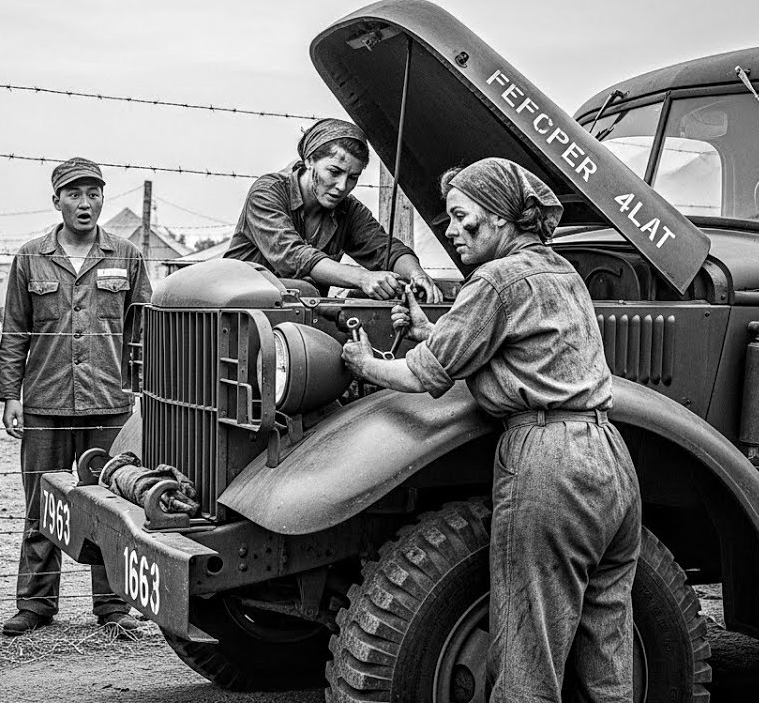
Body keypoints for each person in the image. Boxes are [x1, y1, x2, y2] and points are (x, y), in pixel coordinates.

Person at [340, 158, 640, 702]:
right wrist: (433, 330)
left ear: (500, 219)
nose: (451, 231)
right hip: (610, 459)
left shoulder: (497, 280)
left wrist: (362, 364)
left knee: (528, 655)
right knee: (608, 650)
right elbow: (511, 348)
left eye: (461, 217)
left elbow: (421, 374)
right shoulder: (560, 270)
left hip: (550, 464)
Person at [0, 158, 151, 637]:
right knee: (43, 503)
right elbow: (15, 331)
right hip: (45, 401)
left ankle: (113, 607)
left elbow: (145, 330)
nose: (85, 203)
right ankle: (36, 605)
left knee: (112, 504)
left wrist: (142, 392)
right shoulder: (30, 256)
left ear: (103, 198)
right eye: (74, 194)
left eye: (94, 193)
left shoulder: (126, 254)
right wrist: (10, 395)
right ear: (57, 200)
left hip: (109, 403)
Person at [224, 117, 442, 303]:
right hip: (237, 313)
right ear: (309, 160)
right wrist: (362, 278)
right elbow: (294, 257)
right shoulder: (267, 193)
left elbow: (385, 249)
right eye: (334, 171)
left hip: (300, 324)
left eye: (353, 177)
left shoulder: (348, 209)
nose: (342, 186)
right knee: (307, 290)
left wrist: (416, 275)